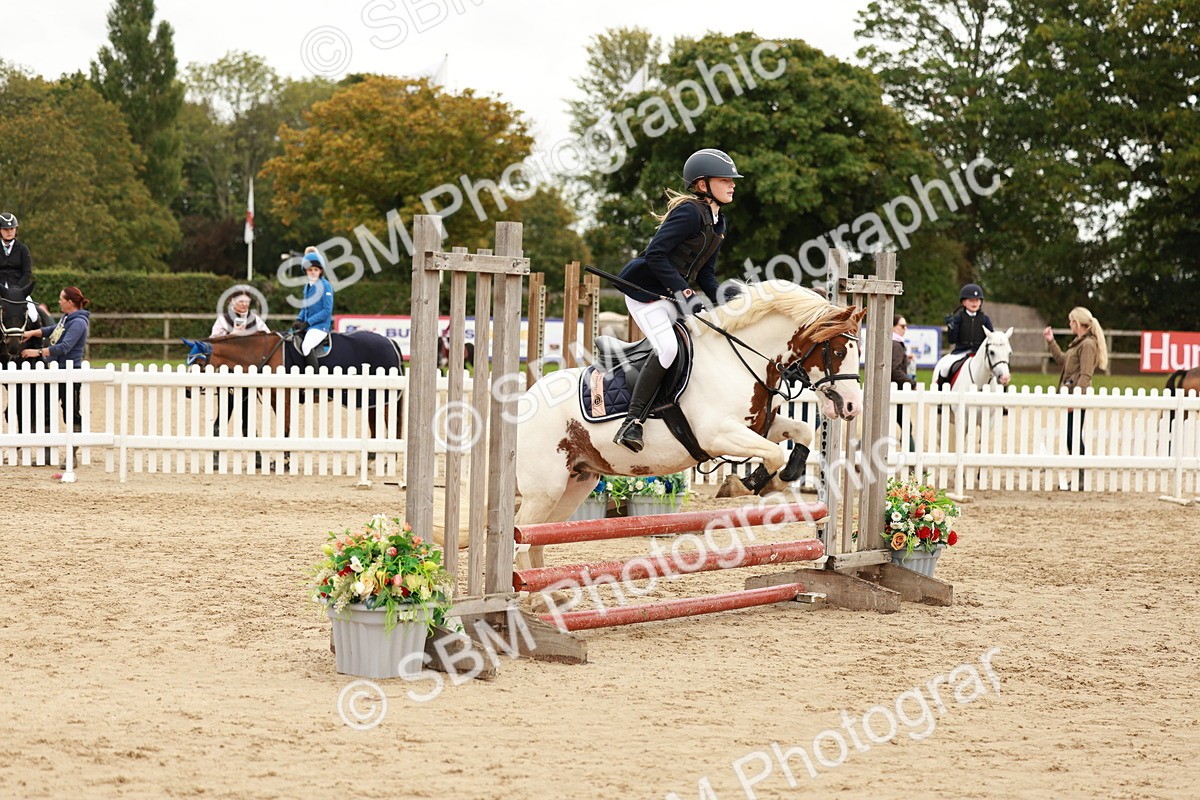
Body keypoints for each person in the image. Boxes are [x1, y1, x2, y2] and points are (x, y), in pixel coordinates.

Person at [612, 147, 741, 453]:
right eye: (725, 180)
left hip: (672, 294)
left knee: (704, 343)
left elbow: (706, 274)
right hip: (644, 292)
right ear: (702, 185)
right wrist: (683, 292)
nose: (733, 184)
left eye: (732, 180)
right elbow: (655, 254)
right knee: (668, 347)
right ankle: (632, 421)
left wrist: (727, 300)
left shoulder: (719, 222)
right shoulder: (688, 213)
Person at [1043, 307, 1108, 478]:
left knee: (1073, 436)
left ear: (1077, 323)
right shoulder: (1079, 343)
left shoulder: (1087, 344)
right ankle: (1080, 475)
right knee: (1070, 435)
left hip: (1077, 396)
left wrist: (1076, 399)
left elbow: (1086, 375)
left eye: (1071, 321)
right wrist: (1051, 342)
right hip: (1072, 395)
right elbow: (1063, 361)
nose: (1069, 324)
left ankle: (1081, 475)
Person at [210, 288, 270, 466]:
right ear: (232, 302)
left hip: (248, 373)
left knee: (248, 414)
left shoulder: (255, 320)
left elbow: (267, 338)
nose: (244, 305)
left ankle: (256, 455)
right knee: (224, 412)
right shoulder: (223, 320)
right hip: (228, 373)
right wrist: (231, 336)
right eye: (241, 301)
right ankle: (216, 454)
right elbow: (213, 341)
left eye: (247, 302)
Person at [19, 286, 91, 433]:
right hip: (57, 371)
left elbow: (64, 347)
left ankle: (74, 446)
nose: (59, 302)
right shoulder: (67, 319)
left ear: (69, 302)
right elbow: (52, 329)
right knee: (46, 408)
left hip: (70, 373)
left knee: (70, 412)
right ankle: (47, 447)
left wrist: (37, 352)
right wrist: (32, 333)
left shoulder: (78, 323)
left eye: (61, 299)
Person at [934, 282, 996, 383]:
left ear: (981, 302)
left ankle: (1002, 391)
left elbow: (991, 338)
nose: (974, 303)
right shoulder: (958, 318)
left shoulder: (985, 319)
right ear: (963, 303)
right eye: (971, 300)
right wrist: (951, 328)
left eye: (977, 300)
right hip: (960, 352)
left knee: (998, 371)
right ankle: (941, 390)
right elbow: (952, 340)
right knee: (945, 368)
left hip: (978, 353)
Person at [291, 248, 333, 370]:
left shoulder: (326, 286)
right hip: (308, 326)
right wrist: (299, 320)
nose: (313, 272)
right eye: (310, 270)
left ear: (320, 271)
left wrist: (308, 322)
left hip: (320, 327)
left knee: (306, 346)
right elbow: (305, 307)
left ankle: (315, 382)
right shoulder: (307, 286)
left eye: (316, 269)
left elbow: (327, 311)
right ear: (306, 271)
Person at [0, 211, 38, 322]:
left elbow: (27, 272)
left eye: (12, 229)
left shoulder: (22, 248)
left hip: (18, 290)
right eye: (5, 229)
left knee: (34, 316)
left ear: (16, 230)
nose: (9, 232)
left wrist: (16, 290)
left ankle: (37, 338)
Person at [891, 315, 917, 389]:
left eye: (906, 326)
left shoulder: (891, 343)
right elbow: (895, 370)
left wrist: (905, 359)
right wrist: (912, 383)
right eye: (902, 326)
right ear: (893, 327)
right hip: (896, 388)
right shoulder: (896, 345)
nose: (905, 328)